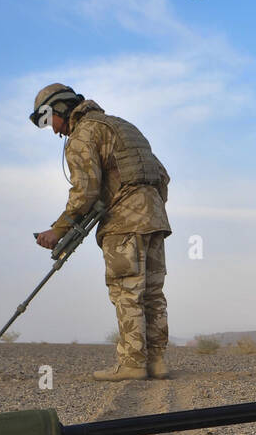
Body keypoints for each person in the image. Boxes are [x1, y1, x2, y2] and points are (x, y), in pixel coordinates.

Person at [31, 83, 172, 381]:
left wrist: (58, 230)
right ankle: (156, 362)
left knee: (126, 290)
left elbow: (85, 191)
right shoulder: (124, 126)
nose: (55, 132)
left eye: (50, 122)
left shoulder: (83, 135)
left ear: (59, 109)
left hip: (124, 224)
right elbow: (162, 176)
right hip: (155, 218)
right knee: (152, 293)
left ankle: (132, 364)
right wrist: (147, 208)